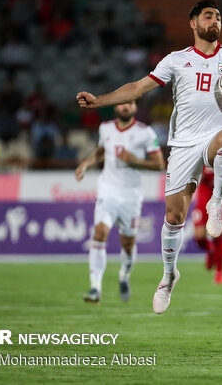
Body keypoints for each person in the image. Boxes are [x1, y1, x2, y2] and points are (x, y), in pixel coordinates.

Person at [76, 0, 222, 314]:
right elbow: (137, 88)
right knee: (174, 217)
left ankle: (216, 200)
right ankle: (169, 275)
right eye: (208, 16)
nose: (215, 20)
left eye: (218, 16)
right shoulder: (176, 60)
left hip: (214, 138)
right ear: (193, 23)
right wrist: (99, 101)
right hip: (182, 146)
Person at [75, 101, 165, 304]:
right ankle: (95, 288)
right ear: (115, 107)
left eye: (130, 103)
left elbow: (159, 164)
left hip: (131, 195)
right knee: (99, 233)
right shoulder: (105, 128)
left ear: (135, 107)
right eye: (122, 103)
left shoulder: (145, 133)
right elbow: (101, 151)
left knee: (128, 243)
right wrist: (86, 163)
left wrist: (135, 160)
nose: (126, 107)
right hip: (107, 190)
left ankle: (124, 275)